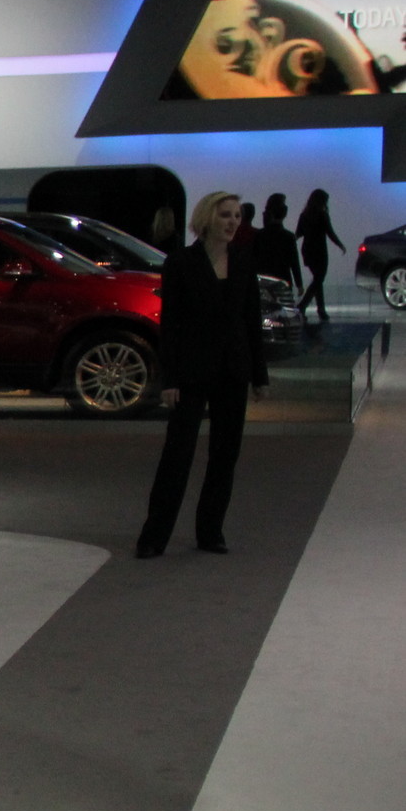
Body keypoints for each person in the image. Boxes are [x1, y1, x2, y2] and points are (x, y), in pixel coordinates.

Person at [138, 191, 269, 558]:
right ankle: (154, 535)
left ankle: (210, 531)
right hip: (192, 372)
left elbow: (250, 321)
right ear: (208, 218)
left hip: (233, 370)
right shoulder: (181, 262)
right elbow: (172, 325)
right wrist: (171, 379)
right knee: (177, 454)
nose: (233, 223)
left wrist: (259, 374)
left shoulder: (243, 260)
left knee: (225, 455)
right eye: (226, 215)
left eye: (237, 217)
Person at [296, 188, 344, 323]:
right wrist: (340, 245)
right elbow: (330, 233)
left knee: (318, 280)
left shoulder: (304, 215)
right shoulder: (322, 215)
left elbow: (298, 233)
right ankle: (304, 305)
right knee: (318, 280)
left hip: (307, 250)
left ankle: (320, 309)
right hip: (320, 251)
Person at [254, 192, 302, 292]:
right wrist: (299, 284)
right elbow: (294, 262)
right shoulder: (288, 237)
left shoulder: (258, 235)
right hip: (283, 279)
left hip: (262, 280)